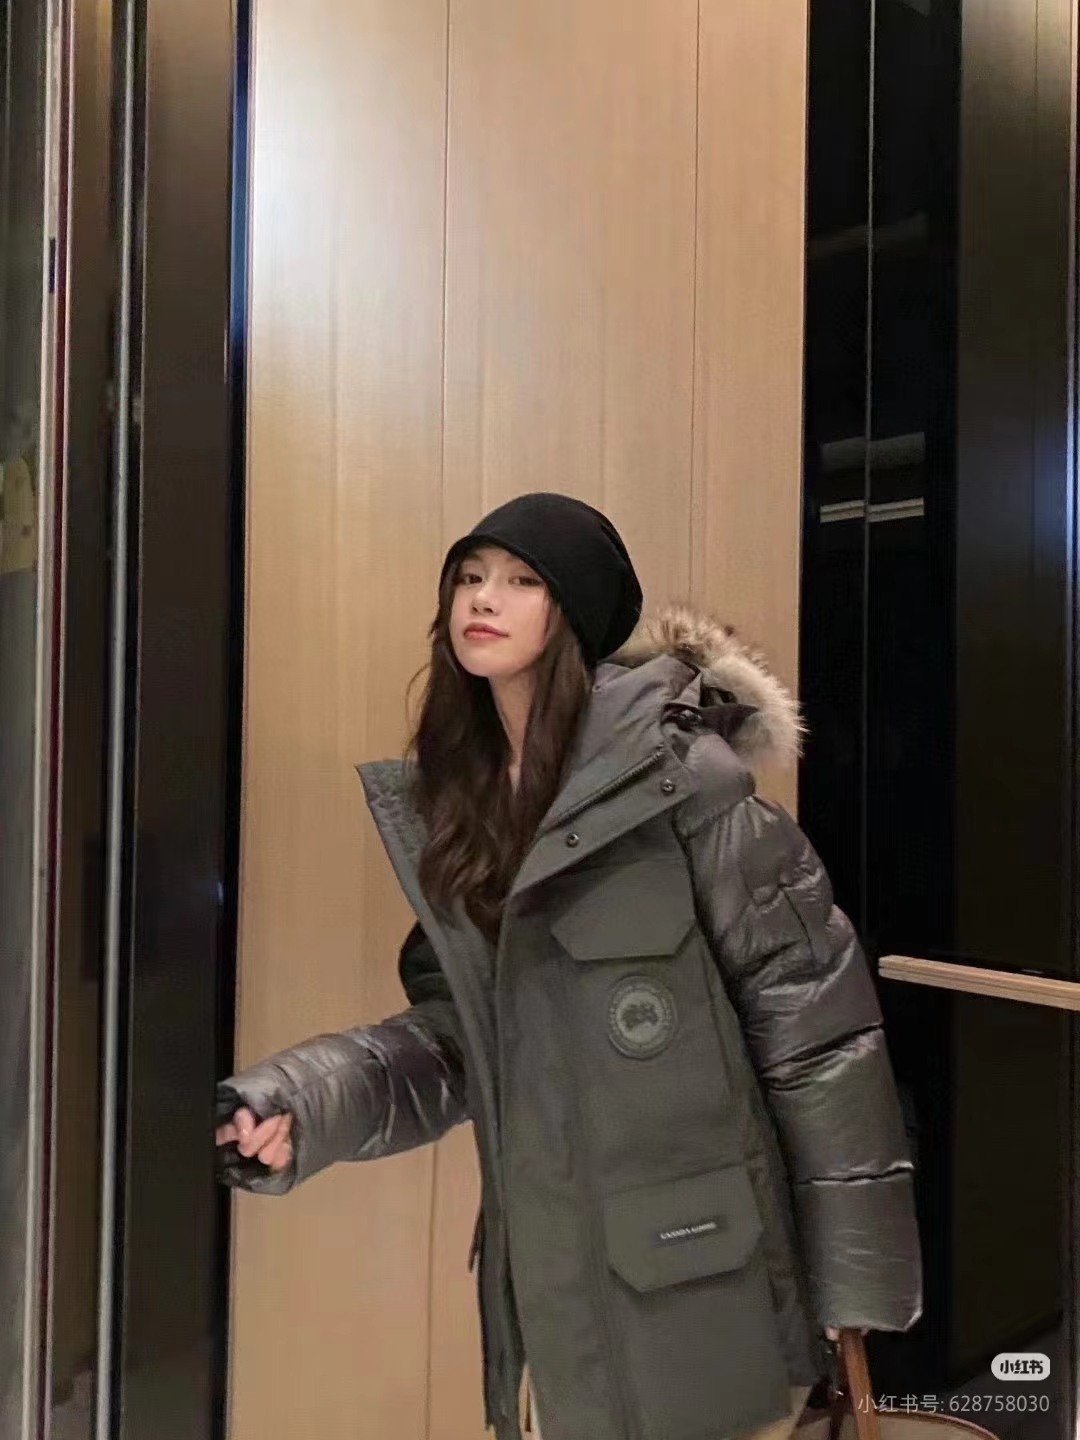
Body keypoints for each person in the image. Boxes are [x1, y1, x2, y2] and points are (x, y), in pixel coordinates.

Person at [216, 492, 921, 1440]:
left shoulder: (686, 788)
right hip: (550, 1295)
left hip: (705, 1288)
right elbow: (461, 1042)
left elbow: (818, 1037)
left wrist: (857, 1288)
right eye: (469, 577)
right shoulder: (468, 812)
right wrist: (303, 1103)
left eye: (521, 580)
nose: (483, 598)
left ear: (576, 611)